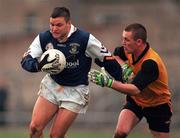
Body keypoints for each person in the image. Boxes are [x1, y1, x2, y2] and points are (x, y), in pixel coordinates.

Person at [21, 7, 125, 138]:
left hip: (75, 91)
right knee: (34, 128)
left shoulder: (84, 39)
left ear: (69, 24)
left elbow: (106, 59)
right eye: (52, 25)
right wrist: (38, 66)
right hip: (53, 84)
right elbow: (25, 59)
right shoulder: (44, 37)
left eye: (59, 25)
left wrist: (123, 79)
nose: (54, 29)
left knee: (55, 136)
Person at [89, 23, 172, 138]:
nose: (123, 42)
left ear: (138, 42)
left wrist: (108, 82)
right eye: (123, 38)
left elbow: (134, 89)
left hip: (158, 104)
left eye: (126, 39)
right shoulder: (127, 51)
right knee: (120, 132)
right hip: (136, 101)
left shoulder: (151, 63)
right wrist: (124, 66)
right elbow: (116, 55)